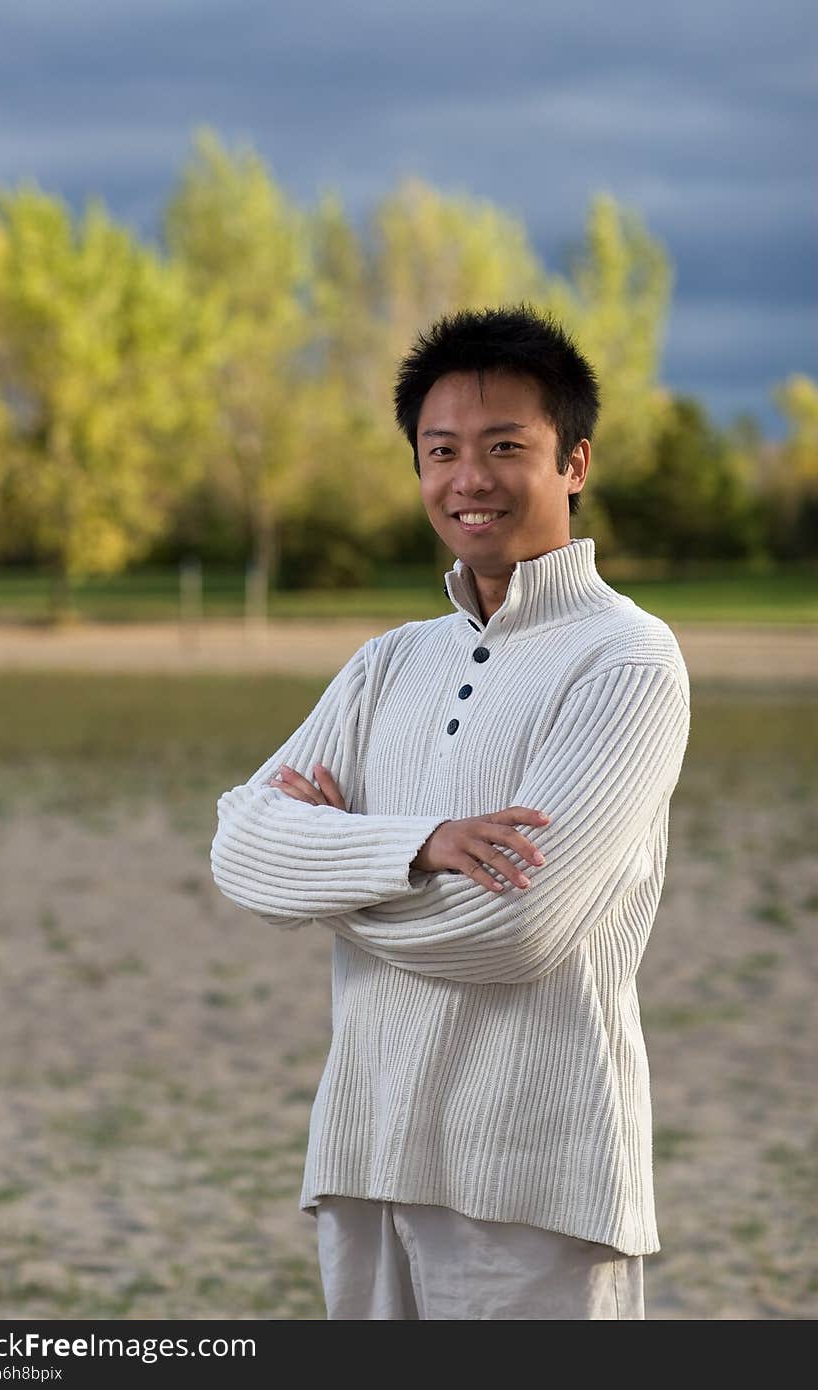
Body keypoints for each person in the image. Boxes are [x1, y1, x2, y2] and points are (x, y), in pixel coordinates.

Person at [210, 303, 691, 1320]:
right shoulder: (388, 661)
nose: (468, 479)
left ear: (573, 462)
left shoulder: (626, 659)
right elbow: (240, 848)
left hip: (536, 1176)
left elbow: (515, 926)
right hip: (364, 1149)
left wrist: (330, 872)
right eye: (440, 451)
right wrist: (419, 847)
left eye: (505, 446)